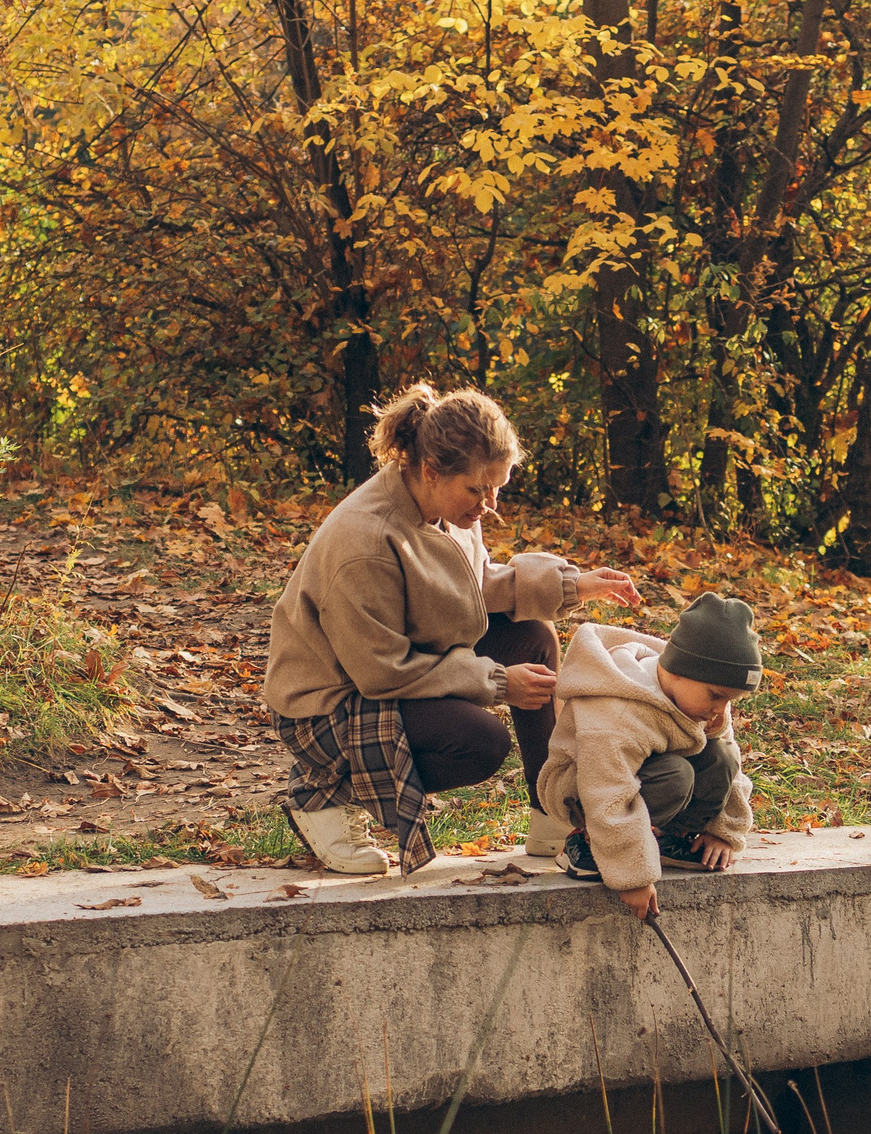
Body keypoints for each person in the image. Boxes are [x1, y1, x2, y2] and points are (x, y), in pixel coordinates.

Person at [263, 383, 641, 874]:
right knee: (480, 742)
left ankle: (555, 812)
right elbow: (382, 671)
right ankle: (322, 794)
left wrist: (573, 586)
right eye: (478, 490)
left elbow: (471, 586)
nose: (490, 504)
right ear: (430, 470)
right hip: (330, 703)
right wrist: (500, 682)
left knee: (533, 636)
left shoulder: (448, 505)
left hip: (398, 662)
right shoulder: (366, 542)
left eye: (498, 486)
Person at [538, 592, 763, 920]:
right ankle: (585, 846)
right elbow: (606, 789)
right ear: (680, 671)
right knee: (676, 774)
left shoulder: (703, 704)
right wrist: (632, 876)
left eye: (731, 701)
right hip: (581, 788)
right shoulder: (621, 709)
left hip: (642, 779)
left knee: (722, 754)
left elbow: (733, 769)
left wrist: (724, 831)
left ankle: (667, 839)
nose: (721, 711)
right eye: (716, 696)